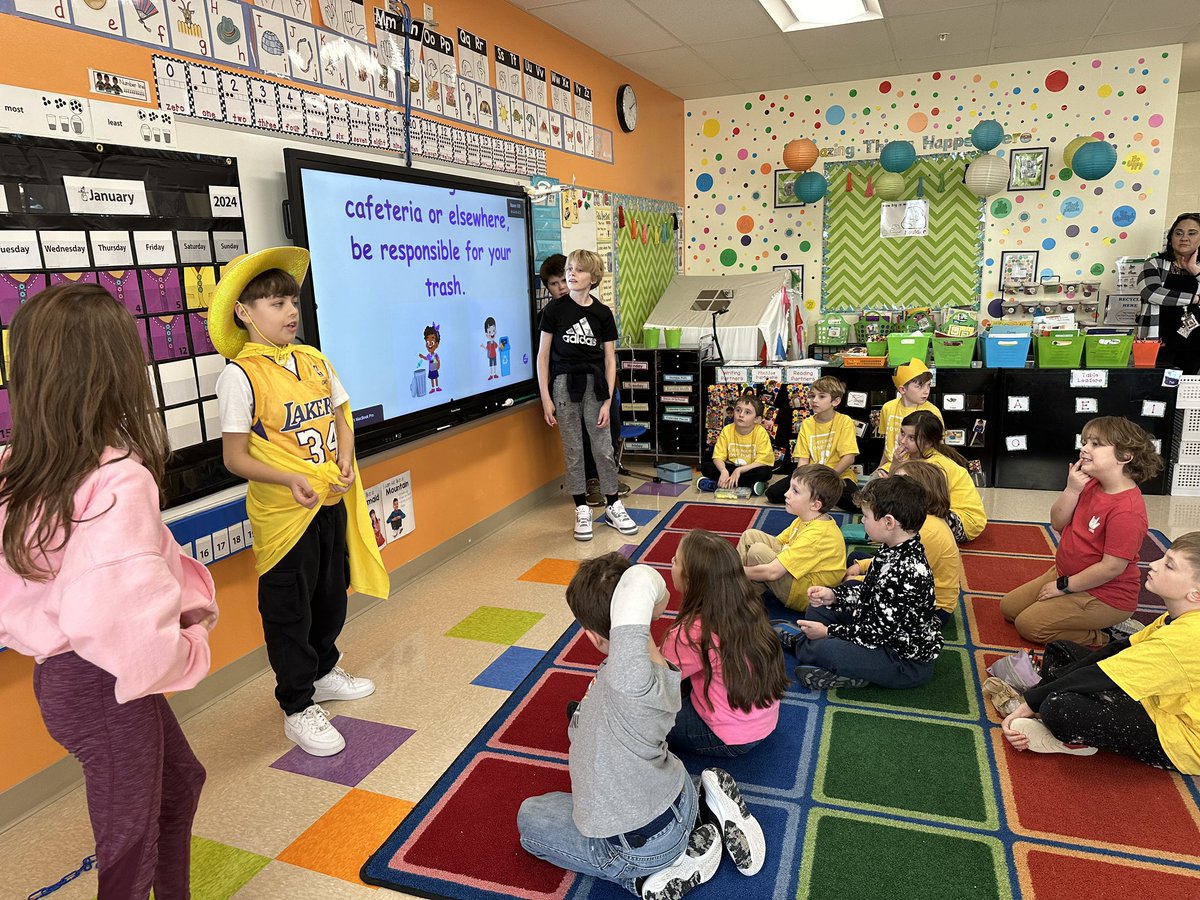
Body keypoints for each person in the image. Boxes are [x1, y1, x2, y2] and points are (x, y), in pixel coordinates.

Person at [0, 284, 218, 899]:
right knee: (128, 843)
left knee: (180, 784)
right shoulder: (118, 479)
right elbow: (120, 617)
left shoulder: (27, 465)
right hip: (104, 679)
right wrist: (189, 647)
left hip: (69, 680)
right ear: (114, 373)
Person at [212, 247, 389, 757]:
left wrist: (347, 461)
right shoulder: (239, 376)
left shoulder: (312, 359)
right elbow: (235, 456)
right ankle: (296, 705)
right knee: (289, 608)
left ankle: (326, 670)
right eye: (274, 304)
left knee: (330, 594)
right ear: (245, 313)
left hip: (327, 500)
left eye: (292, 301)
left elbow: (341, 413)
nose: (290, 312)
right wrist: (289, 478)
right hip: (285, 514)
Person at [517, 555, 766, 898]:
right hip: (677, 797)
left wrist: (654, 600)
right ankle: (703, 800)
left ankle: (652, 875)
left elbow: (637, 586)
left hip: (643, 845)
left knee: (529, 820)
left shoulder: (629, 680)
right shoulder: (656, 668)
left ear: (592, 637)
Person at [998, 531, 1200, 773]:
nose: (1154, 565)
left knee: (1059, 706)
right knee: (1061, 649)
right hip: (1156, 696)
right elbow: (1118, 649)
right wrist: (1038, 696)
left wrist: (1033, 701)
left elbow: (1104, 674)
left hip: (1181, 736)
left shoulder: (1184, 639)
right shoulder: (1180, 616)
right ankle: (1044, 705)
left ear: (1195, 594)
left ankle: (1067, 736)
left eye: (1169, 565)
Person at [1000, 416, 1162, 648]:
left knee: (1029, 626)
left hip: (1105, 596)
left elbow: (1111, 567)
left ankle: (1110, 636)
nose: (1084, 448)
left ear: (1125, 456)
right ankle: (1085, 618)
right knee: (1009, 608)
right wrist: (1072, 489)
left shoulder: (1128, 511)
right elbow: (1057, 522)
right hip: (1067, 575)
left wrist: (1063, 586)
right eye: (1085, 442)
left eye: (1096, 444)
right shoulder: (1090, 483)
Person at [777, 476, 942, 690]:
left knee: (822, 648)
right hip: (879, 629)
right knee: (824, 604)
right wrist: (835, 596)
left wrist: (829, 632)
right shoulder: (895, 547)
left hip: (902, 661)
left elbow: (874, 634)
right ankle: (837, 661)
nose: (862, 521)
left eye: (865, 516)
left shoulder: (906, 571)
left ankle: (807, 646)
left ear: (889, 522)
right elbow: (868, 593)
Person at [537, 249, 638, 541]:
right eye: (570, 268)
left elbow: (609, 359)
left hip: (595, 386)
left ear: (593, 278)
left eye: (579, 270)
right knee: (572, 449)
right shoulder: (553, 311)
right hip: (564, 385)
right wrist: (546, 397)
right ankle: (581, 507)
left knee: (603, 447)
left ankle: (613, 504)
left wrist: (607, 400)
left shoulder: (602, 314)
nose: (571, 274)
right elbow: (543, 356)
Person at [661, 530, 789, 757]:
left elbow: (656, 680)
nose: (671, 561)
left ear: (692, 580)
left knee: (640, 718)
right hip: (762, 718)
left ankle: (589, 717)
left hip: (728, 735)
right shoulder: (748, 607)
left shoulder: (691, 632)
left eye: (676, 560)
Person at [850, 460, 964, 625]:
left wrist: (859, 580)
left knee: (852, 586)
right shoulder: (915, 521)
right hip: (904, 579)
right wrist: (860, 566)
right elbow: (890, 558)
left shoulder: (927, 530)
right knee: (855, 557)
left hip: (934, 608)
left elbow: (902, 577)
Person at [739, 464, 846, 612]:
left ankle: (736, 590)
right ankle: (740, 588)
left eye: (795, 491)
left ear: (815, 505)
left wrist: (733, 571)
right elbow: (779, 543)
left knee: (757, 552)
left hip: (805, 594)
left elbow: (772, 572)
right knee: (750, 535)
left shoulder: (817, 535)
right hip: (799, 577)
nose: (786, 494)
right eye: (790, 488)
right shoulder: (807, 518)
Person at [892, 410, 986, 542]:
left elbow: (928, 502)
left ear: (928, 443)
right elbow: (891, 486)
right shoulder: (912, 455)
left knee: (906, 508)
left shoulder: (935, 464)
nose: (902, 441)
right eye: (902, 433)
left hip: (965, 522)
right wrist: (895, 463)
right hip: (942, 510)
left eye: (911, 438)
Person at [765, 376, 858, 508]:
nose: (814, 400)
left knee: (855, 503)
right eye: (812, 396)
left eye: (821, 396)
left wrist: (827, 480)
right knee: (773, 494)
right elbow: (803, 460)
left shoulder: (845, 421)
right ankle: (819, 496)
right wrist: (800, 482)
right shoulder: (807, 423)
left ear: (835, 401)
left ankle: (815, 496)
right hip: (811, 477)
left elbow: (849, 458)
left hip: (837, 476)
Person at [1136, 213, 1200, 374]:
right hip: (1157, 342)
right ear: (1170, 239)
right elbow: (1151, 292)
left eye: (1192, 233)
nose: (1184, 238)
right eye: (1178, 233)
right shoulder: (1154, 264)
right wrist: (1194, 299)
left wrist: (1195, 272)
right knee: (1153, 392)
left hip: (1195, 345)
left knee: (1186, 395)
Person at [696, 392, 774, 494]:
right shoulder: (727, 429)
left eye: (747, 412)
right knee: (706, 467)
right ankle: (747, 485)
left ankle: (720, 484)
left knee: (765, 472)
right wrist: (724, 471)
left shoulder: (761, 432)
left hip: (748, 469)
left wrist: (739, 471)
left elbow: (763, 461)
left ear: (757, 419)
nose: (741, 415)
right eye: (738, 410)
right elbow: (718, 456)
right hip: (730, 468)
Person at [874, 358, 941, 475]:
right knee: (872, 487)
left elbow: (938, 448)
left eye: (928, 385)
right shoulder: (888, 408)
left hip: (920, 468)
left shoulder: (933, 412)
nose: (926, 391)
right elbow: (887, 445)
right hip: (890, 465)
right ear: (902, 389)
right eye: (919, 386)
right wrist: (880, 467)